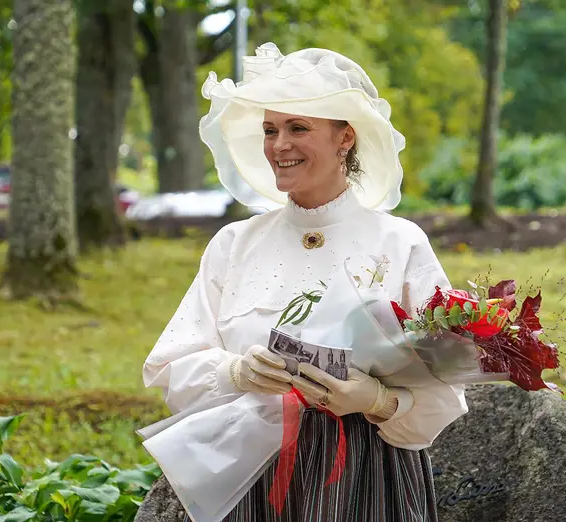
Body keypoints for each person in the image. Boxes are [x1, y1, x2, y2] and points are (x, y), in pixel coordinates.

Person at [142, 42, 468, 522]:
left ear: (345, 139)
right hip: (247, 474)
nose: (279, 145)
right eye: (270, 130)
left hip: (366, 475)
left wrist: (379, 401)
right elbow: (172, 366)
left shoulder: (400, 242)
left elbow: (449, 385)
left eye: (298, 128)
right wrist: (235, 372)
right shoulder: (235, 242)